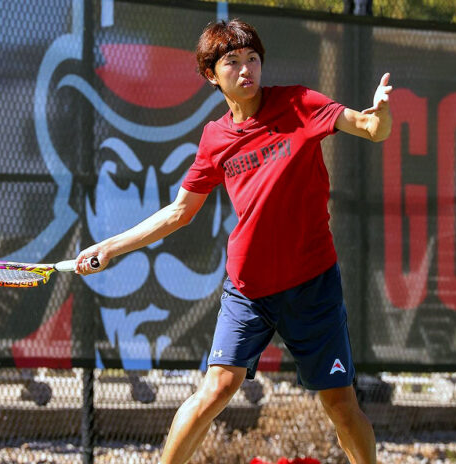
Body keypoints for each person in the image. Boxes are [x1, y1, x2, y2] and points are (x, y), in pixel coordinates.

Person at [75, 18, 392, 464]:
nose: (246, 70)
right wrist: (110, 247)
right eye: (233, 62)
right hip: (248, 289)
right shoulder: (215, 138)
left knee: (341, 405)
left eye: (253, 59)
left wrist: (380, 116)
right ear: (211, 75)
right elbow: (180, 212)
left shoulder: (299, 103)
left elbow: (369, 128)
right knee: (216, 389)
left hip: (312, 284)